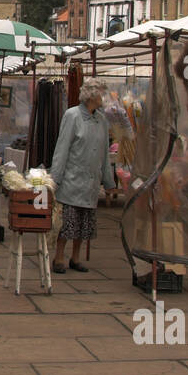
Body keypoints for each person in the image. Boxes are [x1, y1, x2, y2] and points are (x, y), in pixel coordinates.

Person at [49, 78, 115, 273]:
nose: (103, 97)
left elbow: (104, 152)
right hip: (73, 177)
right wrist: (55, 178)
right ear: (91, 95)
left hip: (91, 181)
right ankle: (59, 257)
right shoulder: (73, 115)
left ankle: (75, 257)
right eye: (101, 93)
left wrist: (108, 181)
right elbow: (62, 148)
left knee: (84, 222)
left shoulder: (101, 120)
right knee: (68, 221)